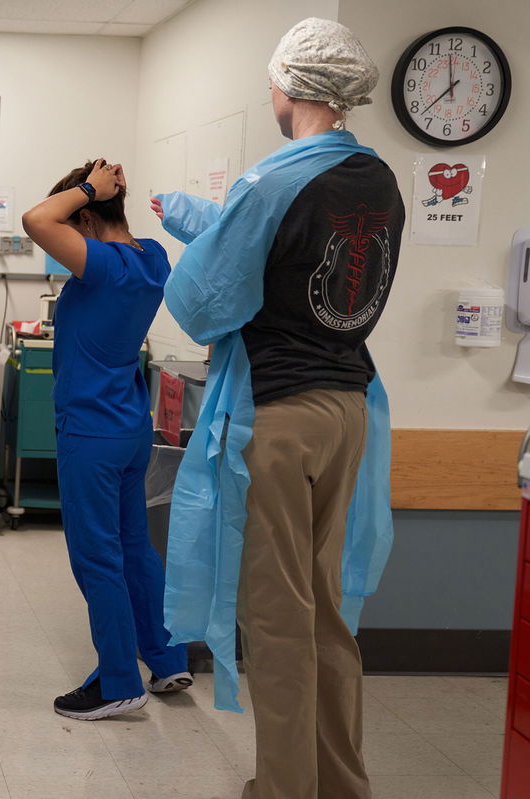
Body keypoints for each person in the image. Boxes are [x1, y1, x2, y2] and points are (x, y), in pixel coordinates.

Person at [154, 18, 401, 799]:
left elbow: (200, 303)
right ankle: (343, 783)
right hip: (348, 409)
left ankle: (287, 787)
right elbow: (305, 263)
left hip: (279, 421)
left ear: (289, 86)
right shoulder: (378, 177)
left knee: (278, 618)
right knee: (327, 610)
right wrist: (211, 220)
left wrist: (200, 239)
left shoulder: (271, 182)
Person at [20, 159, 191, 721]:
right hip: (127, 427)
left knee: (98, 557)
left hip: (90, 433)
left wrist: (85, 188)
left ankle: (118, 682)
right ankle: (166, 659)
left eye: (76, 216)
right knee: (134, 548)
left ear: (86, 215)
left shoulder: (107, 265)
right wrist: (93, 193)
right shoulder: (151, 257)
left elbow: (36, 220)